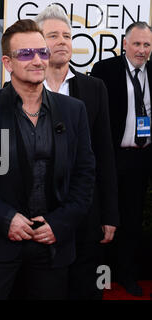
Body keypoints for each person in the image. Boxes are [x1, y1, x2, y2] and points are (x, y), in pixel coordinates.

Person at [0, 19, 95, 300]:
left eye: (42, 52)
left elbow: (85, 174)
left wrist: (60, 223)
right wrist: (6, 219)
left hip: (52, 245)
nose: (37, 60)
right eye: (25, 54)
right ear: (8, 63)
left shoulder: (73, 111)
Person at [34, 5, 119, 299]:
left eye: (67, 36)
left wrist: (109, 213)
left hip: (86, 209)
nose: (62, 41)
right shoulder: (19, 88)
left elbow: (105, 154)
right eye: (53, 35)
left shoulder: (94, 88)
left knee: (89, 286)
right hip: (39, 213)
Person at [91, 21, 152, 296]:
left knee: (132, 219)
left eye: (147, 44)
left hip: (142, 158)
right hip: (111, 157)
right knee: (105, 219)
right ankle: (100, 278)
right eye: (137, 43)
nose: (141, 50)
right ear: (124, 44)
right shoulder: (105, 70)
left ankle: (127, 276)